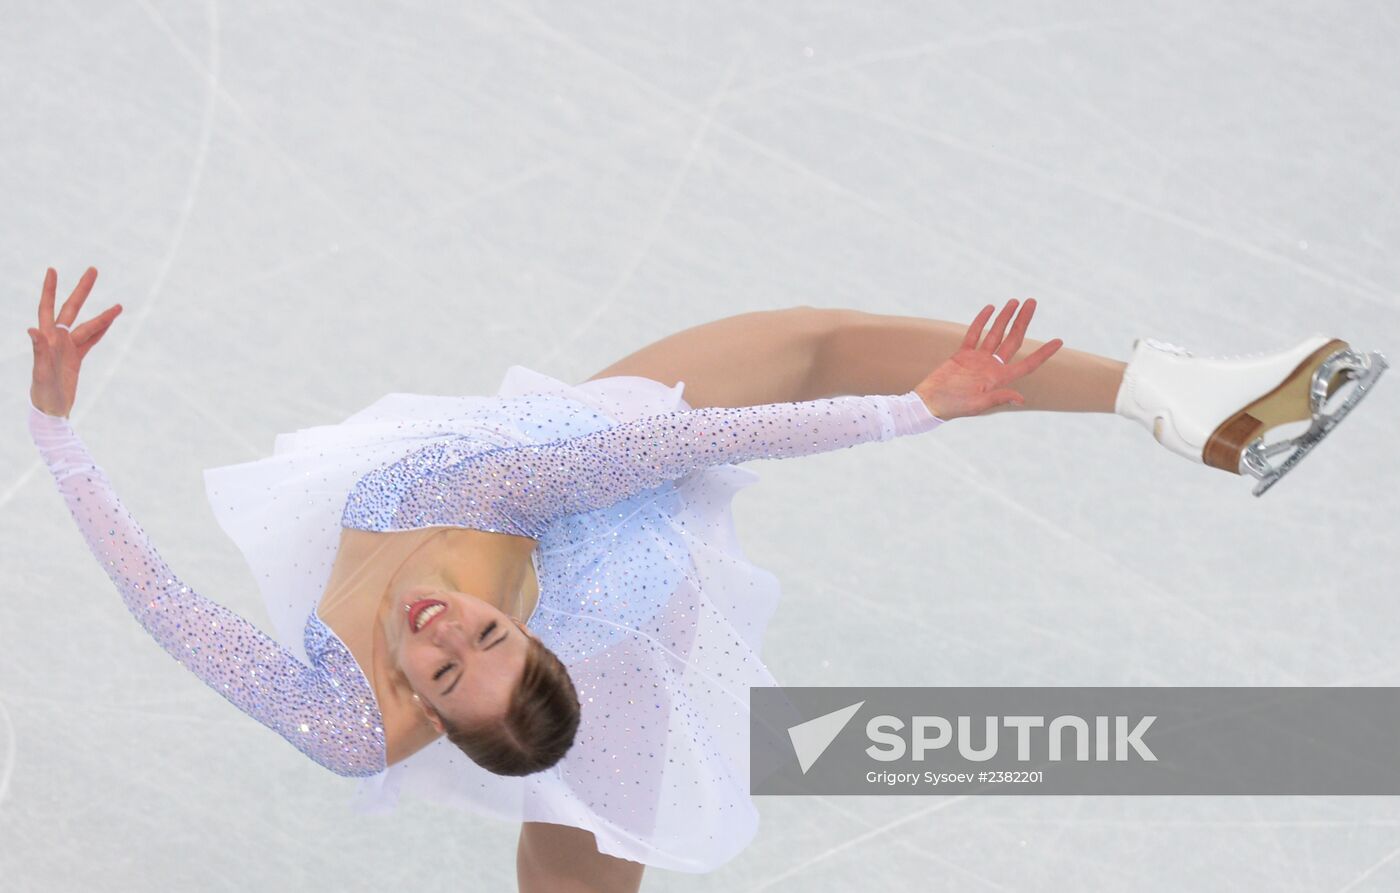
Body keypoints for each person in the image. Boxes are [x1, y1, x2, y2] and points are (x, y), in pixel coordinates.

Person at [25, 267, 1385, 892]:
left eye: (460, 642)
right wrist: (918, 407)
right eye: (464, 651)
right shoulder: (422, 654)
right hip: (622, 611)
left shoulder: (492, 521)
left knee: (815, 344)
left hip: (585, 509)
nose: (442, 625)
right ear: (448, 692)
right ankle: (1182, 403)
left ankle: (1169, 397)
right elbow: (164, 604)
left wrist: (54, 422)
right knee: (580, 853)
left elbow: (693, 441)